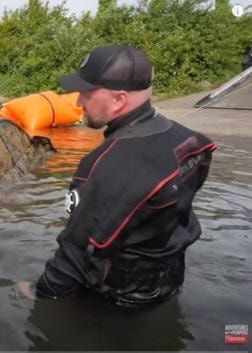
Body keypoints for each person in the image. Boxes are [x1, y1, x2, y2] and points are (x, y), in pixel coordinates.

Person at [19, 45, 216, 307]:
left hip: (118, 297)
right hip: (168, 281)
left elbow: (74, 257)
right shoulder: (190, 140)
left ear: (119, 100)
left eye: (86, 93)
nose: (78, 102)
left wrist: (41, 292)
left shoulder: (105, 167)